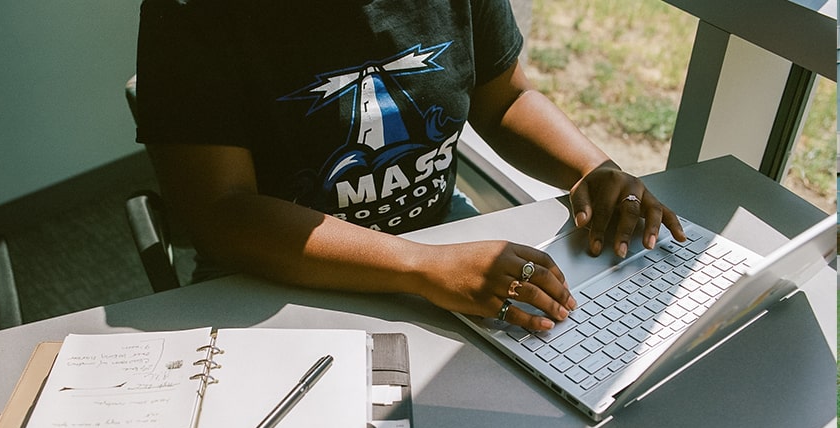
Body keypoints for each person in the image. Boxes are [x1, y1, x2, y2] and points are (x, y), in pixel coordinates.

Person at [135, 0, 685, 333]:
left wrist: (592, 169)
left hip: (442, 241)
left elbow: (505, 98)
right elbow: (221, 212)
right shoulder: (194, 15)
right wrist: (421, 267)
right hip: (272, 274)